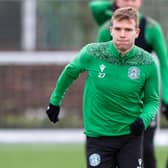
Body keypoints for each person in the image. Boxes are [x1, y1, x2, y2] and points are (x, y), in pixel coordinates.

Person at [46, 7, 160, 168]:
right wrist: (55, 101)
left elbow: (152, 100)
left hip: (130, 137)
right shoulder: (93, 53)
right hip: (98, 137)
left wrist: (143, 120)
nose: (122, 34)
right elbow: (69, 72)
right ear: (111, 30)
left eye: (128, 30)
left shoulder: (147, 62)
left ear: (137, 32)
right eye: (118, 29)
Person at [89, 1, 168, 168]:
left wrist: (166, 96)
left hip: (144, 102)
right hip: (115, 105)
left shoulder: (152, 28)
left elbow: (164, 63)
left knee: (145, 149)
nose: (129, 2)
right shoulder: (105, 29)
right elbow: (94, 7)